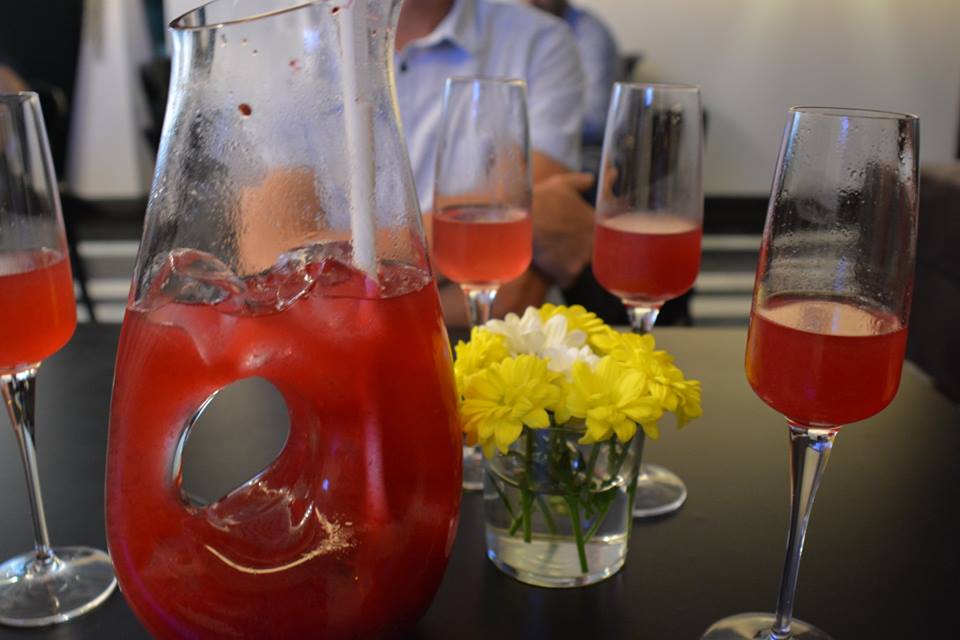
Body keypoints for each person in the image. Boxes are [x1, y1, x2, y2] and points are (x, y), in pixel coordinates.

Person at [396, 0, 596, 325]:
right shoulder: (306, 34)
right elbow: (297, 264)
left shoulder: (538, 41)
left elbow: (513, 292)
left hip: (491, 340)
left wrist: (350, 296)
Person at [527, 0, 621, 144]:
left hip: (582, 149)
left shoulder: (590, 34)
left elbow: (596, 119)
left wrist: (537, 125)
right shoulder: (522, 31)